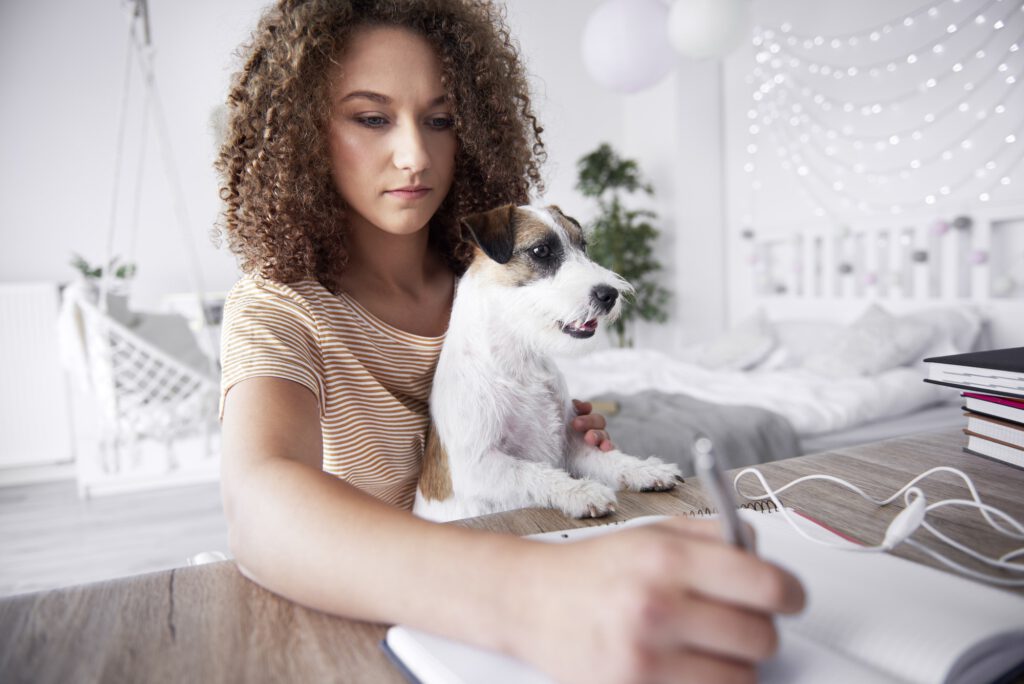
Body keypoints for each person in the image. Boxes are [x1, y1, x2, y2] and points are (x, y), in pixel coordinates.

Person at [214, 1, 805, 682]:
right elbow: (259, 505)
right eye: (371, 117)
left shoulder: (499, 288)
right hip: (378, 629)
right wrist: (531, 593)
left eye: (440, 119)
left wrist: (553, 435)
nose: (415, 154)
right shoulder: (277, 307)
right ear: (301, 131)